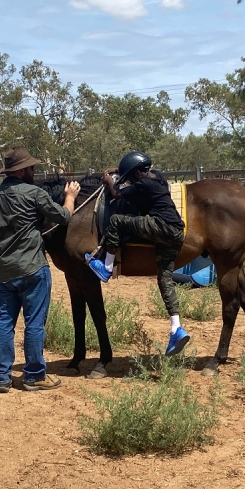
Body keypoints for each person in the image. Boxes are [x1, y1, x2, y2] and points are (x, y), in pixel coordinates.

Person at [0, 147, 80, 393]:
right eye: (31, 168)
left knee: (4, 322)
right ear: (21, 171)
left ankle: (2, 377)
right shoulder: (34, 193)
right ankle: (34, 375)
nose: (34, 172)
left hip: (3, 270)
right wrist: (71, 196)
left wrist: (6, 245)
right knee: (34, 323)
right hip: (33, 268)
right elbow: (64, 217)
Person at [85, 150, 190, 356]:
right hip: (176, 232)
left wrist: (108, 180)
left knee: (117, 220)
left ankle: (106, 267)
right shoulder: (157, 177)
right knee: (165, 279)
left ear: (137, 174)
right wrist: (120, 169)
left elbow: (117, 194)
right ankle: (176, 328)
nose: (130, 180)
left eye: (131, 176)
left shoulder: (142, 185)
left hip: (162, 226)